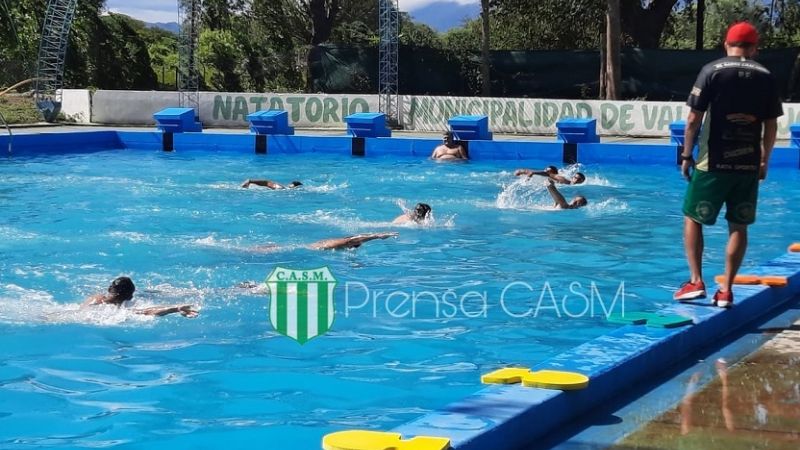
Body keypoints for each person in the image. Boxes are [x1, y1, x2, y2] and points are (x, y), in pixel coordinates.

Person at [674, 22, 783, 308]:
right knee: (738, 226)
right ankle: (727, 291)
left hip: (712, 162)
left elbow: (693, 120)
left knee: (693, 218)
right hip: (747, 163)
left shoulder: (712, 71)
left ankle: (696, 281)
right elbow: (771, 125)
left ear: (726, 44)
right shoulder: (767, 77)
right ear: (755, 48)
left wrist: (686, 155)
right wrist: (764, 159)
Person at [82, 276, 199, 317]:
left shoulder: (96, 298)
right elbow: (148, 311)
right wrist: (176, 308)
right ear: (129, 296)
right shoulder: (117, 311)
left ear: (109, 289)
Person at [254, 232, 399, 252]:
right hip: (305, 250)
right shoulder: (343, 243)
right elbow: (355, 239)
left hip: (305, 247)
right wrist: (380, 235)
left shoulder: (336, 242)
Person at [515, 166, 586, 185]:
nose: (576, 180)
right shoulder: (564, 180)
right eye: (575, 177)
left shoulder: (569, 183)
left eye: (578, 179)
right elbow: (548, 174)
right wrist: (533, 173)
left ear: (582, 181)